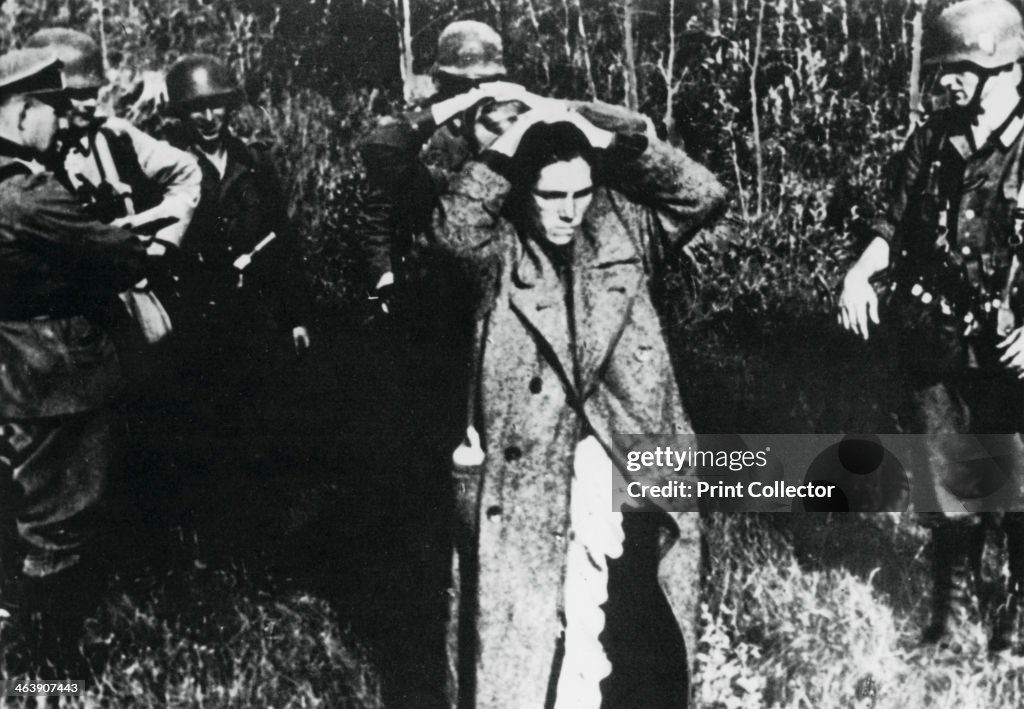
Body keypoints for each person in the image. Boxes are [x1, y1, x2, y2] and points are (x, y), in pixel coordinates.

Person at [430, 103, 726, 707]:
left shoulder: (623, 226)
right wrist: (509, 141)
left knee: (636, 623)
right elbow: (451, 229)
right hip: (533, 470)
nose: (569, 211)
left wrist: (601, 123)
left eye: (581, 192)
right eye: (551, 195)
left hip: (630, 457)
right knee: (536, 635)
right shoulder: (498, 251)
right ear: (522, 189)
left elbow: (703, 196)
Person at [838, 0, 1024, 651]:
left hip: (1012, 350)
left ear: (1001, 68)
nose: (946, 80)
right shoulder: (932, 139)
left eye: (960, 68)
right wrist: (861, 272)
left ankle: (1017, 616)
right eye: (943, 68)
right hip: (936, 341)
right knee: (951, 479)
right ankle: (956, 609)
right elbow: (891, 225)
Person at [0, 48, 150, 672]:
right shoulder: (27, 194)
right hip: (56, 376)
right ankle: (47, 677)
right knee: (61, 523)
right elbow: (121, 256)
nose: (62, 124)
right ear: (24, 110)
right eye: (53, 111)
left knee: (25, 513)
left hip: (11, 369)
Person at [161, 54, 311, 554]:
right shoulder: (166, 165)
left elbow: (283, 239)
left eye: (217, 107)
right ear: (181, 115)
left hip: (254, 317)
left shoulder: (254, 161)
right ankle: (205, 539)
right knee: (202, 427)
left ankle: (260, 536)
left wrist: (295, 316)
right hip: (196, 319)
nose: (208, 119)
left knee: (260, 422)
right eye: (196, 110)